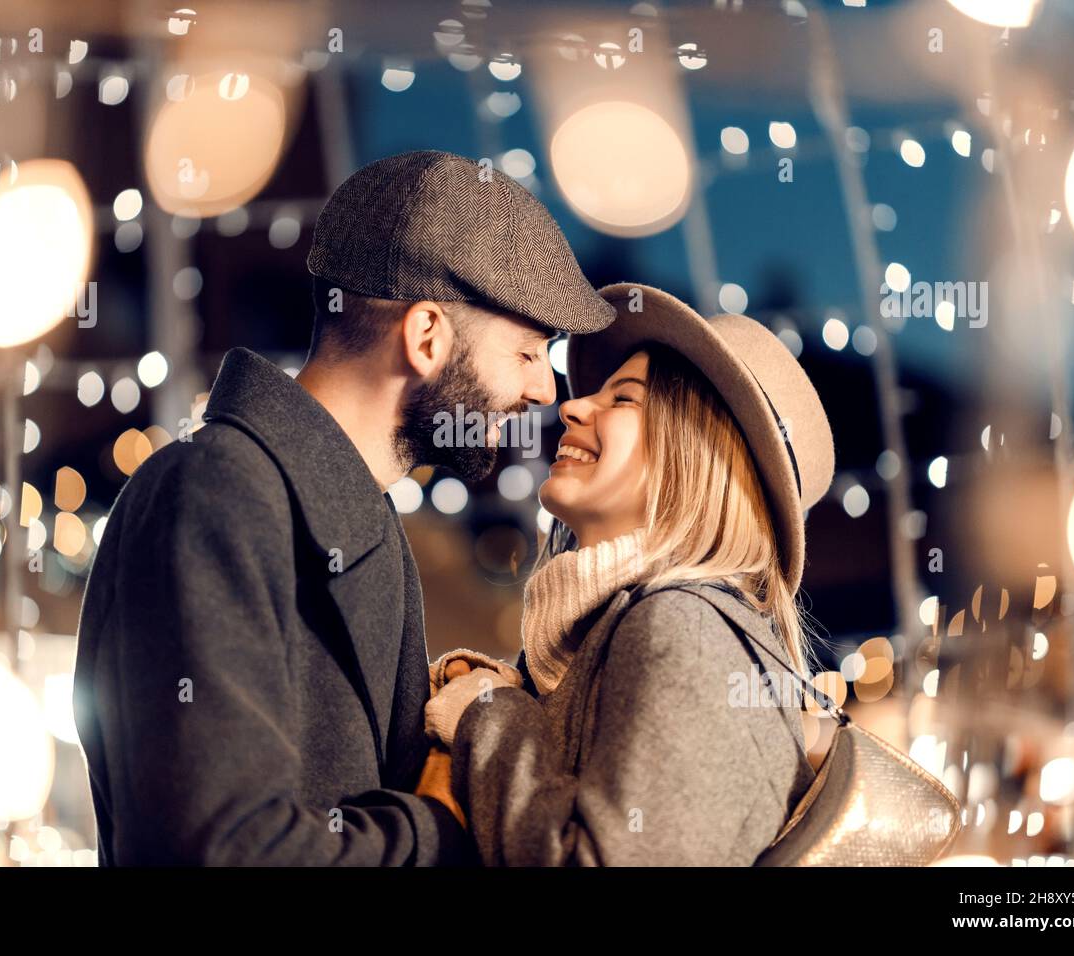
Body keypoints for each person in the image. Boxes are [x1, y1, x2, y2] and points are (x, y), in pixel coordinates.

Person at [71, 150, 614, 865]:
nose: (545, 390)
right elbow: (226, 849)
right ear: (426, 337)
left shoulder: (363, 521)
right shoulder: (212, 494)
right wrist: (448, 821)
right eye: (528, 352)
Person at [420, 282, 837, 865]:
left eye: (624, 399)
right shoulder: (613, 633)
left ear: (694, 451)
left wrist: (486, 713)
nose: (571, 406)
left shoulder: (685, 628)